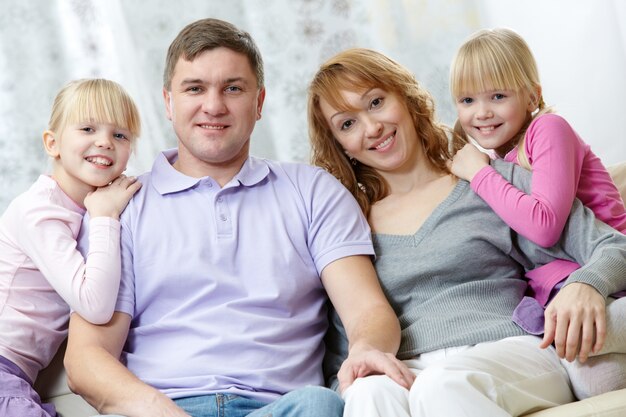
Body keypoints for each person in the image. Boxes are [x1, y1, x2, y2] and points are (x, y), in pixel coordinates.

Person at [64, 18, 413, 417]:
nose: (213, 106)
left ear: (259, 102)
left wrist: (367, 348)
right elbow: (86, 359)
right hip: (162, 408)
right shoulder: (119, 208)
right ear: (168, 102)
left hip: (283, 408)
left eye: (233, 88)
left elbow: (367, 311)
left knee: (319, 404)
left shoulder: (313, 191)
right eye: (195, 88)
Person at [307, 47, 626, 417]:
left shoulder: (488, 182)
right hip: (409, 367)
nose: (372, 128)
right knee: (366, 396)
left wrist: (585, 284)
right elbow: (343, 348)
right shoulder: (346, 226)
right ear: (339, 145)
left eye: (376, 102)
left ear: (405, 97)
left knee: (441, 386)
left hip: (508, 352)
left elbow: (612, 245)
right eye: (347, 123)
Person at [447, 27, 626, 399]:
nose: (481, 113)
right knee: (593, 379)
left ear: (532, 96)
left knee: (583, 339)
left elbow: (544, 227)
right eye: (466, 100)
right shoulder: (500, 161)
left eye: (497, 96)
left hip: (609, 271)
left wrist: (480, 174)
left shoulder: (547, 129)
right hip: (561, 292)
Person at [0, 78, 142, 417]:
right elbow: (95, 305)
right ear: (52, 143)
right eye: (88, 128)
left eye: (120, 135)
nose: (105, 142)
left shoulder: (89, 208)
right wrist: (105, 215)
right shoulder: (39, 211)